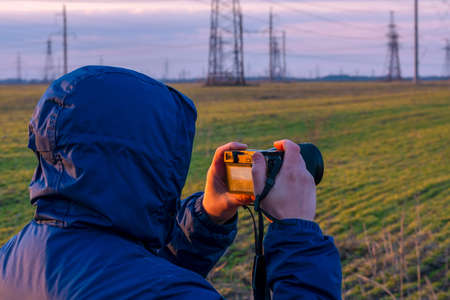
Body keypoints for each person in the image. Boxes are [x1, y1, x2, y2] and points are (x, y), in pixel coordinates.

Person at [0, 66, 341, 299]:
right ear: (150, 159)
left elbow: (125, 272)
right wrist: (297, 232)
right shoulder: (168, 292)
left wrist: (208, 215)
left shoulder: (10, 259)